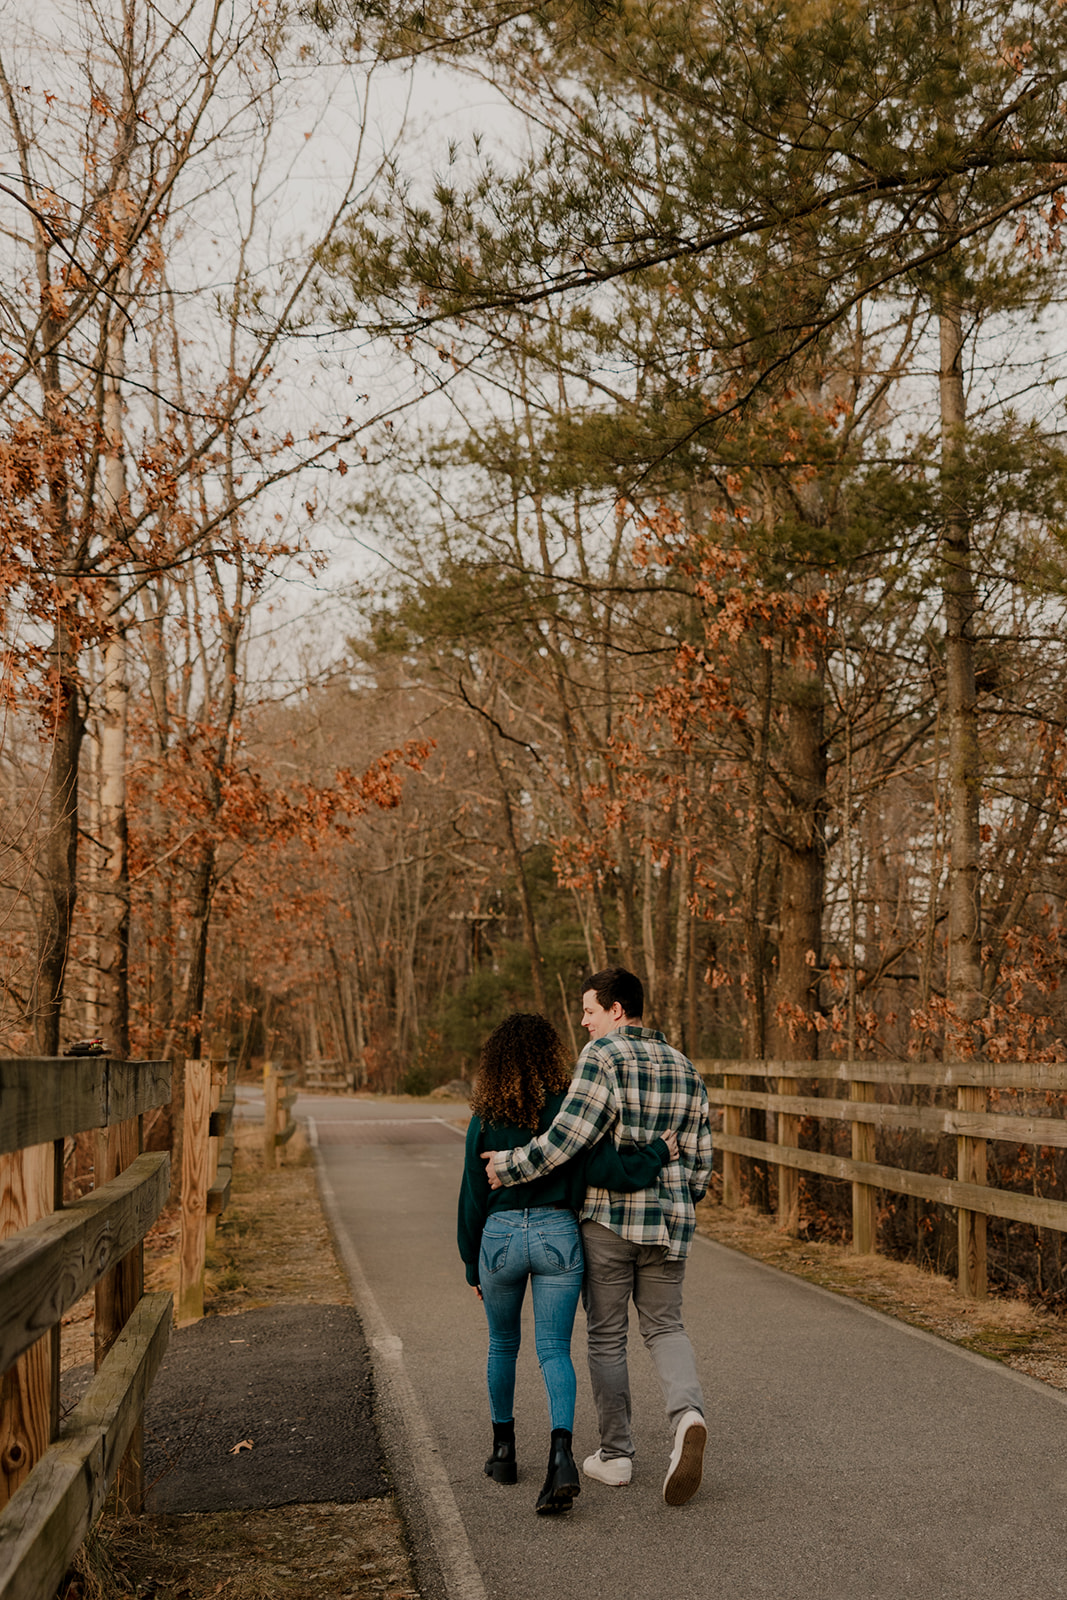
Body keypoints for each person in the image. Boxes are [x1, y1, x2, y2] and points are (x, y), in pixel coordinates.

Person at [484, 967, 712, 1507]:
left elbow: (568, 1138)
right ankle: (688, 1416)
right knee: (665, 1327)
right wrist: (680, 1202)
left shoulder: (602, 1058)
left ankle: (616, 1456)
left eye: (589, 1010)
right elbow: (702, 1164)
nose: (583, 1021)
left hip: (608, 1223)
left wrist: (511, 1165)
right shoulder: (686, 1067)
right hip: (669, 1226)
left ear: (616, 1010)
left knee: (607, 1337)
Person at [458, 1010, 676, 1516]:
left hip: (501, 1239)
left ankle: (504, 1453)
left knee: (502, 1345)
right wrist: (656, 1156)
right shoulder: (566, 1111)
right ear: (551, 1055)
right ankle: (561, 1457)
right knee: (554, 1349)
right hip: (558, 1233)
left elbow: (471, 1196)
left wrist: (473, 1265)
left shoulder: (484, 1118)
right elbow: (603, 1169)